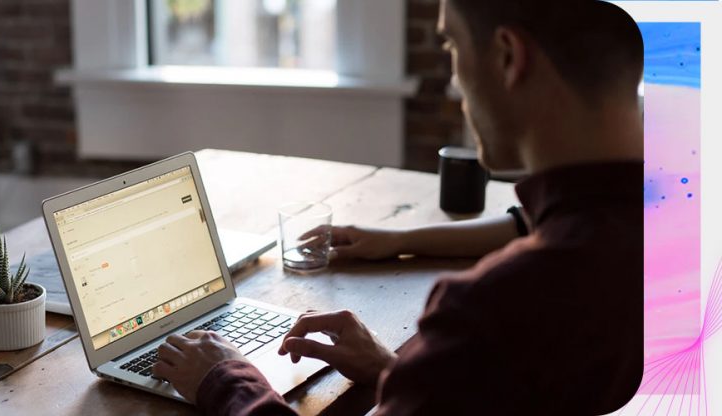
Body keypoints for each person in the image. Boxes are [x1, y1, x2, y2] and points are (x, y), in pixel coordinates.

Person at [151, 0, 645, 414]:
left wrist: (225, 379)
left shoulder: (493, 311)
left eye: (451, 45)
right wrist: (404, 374)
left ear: (507, 58)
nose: (455, 89)